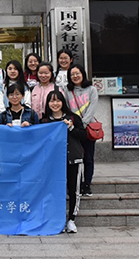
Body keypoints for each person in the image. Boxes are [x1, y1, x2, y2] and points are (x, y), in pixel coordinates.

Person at [40, 89, 87, 234]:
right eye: (52, 101)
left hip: (73, 159)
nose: (55, 104)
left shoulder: (73, 118)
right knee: (53, 191)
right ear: (48, 104)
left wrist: (70, 128)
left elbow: (83, 135)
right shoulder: (45, 121)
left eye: (58, 100)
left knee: (74, 190)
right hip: (53, 163)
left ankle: (71, 220)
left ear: (63, 102)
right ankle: (55, 220)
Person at [67, 64, 98, 197]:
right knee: (76, 158)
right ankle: (77, 184)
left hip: (87, 128)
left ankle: (87, 185)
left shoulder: (92, 89)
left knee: (88, 158)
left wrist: (83, 124)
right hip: (74, 130)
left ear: (83, 74)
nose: (75, 76)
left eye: (77, 73)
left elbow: (92, 108)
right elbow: (67, 109)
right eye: (72, 74)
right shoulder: (67, 91)